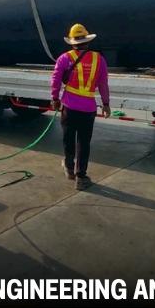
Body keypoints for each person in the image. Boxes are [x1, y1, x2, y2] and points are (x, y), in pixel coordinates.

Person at [51, 23, 111, 190]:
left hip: (69, 107)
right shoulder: (99, 59)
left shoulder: (64, 58)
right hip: (88, 108)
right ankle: (81, 177)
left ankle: (69, 168)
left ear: (72, 42)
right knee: (84, 142)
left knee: (68, 138)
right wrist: (106, 104)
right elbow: (103, 84)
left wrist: (55, 98)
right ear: (87, 41)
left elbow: (56, 79)